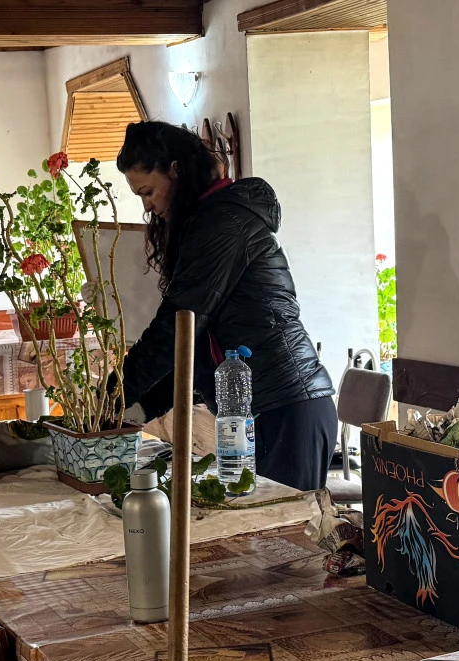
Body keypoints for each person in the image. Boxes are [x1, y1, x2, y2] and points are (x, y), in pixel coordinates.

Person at [116, 121, 337, 491]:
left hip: (285, 408)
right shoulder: (208, 220)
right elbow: (192, 345)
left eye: (148, 191)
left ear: (176, 169)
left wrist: (113, 396)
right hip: (262, 411)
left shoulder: (223, 221)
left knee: (280, 525)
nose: (147, 205)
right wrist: (137, 407)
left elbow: (179, 323)